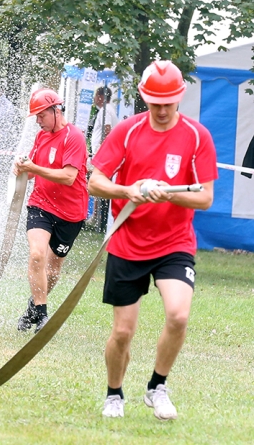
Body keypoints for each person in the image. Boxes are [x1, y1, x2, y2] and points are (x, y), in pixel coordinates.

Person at [88, 60, 217, 420]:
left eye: (168, 103)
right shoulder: (128, 132)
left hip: (174, 243)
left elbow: (205, 197)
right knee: (123, 333)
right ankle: (114, 393)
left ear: (180, 97)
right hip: (127, 243)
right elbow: (94, 182)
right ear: (145, 97)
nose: (161, 110)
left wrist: (166, 194)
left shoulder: (196, 136)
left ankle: (157, 387)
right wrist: (129, 189)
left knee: (178, 315)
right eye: (154, 102)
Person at [13, 88, 89, 333]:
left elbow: (68, 177)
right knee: (37, 255)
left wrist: (34, 167)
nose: (38, 121)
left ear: (56, 111)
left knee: (54, 269)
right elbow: (35, 169)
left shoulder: (74, 137)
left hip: (71, 213)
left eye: (41, 115)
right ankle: (43, 315)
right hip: (41, 204)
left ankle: (33, 307)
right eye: (35, 116)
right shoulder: (41, 136)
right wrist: (23, 167)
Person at [91, 86, 119, 155]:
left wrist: (102, 149)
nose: (94, 98)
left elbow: (107, 130)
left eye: (96, 95)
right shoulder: (108, 109)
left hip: (101, 153)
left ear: (101, 97)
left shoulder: (105, 110)